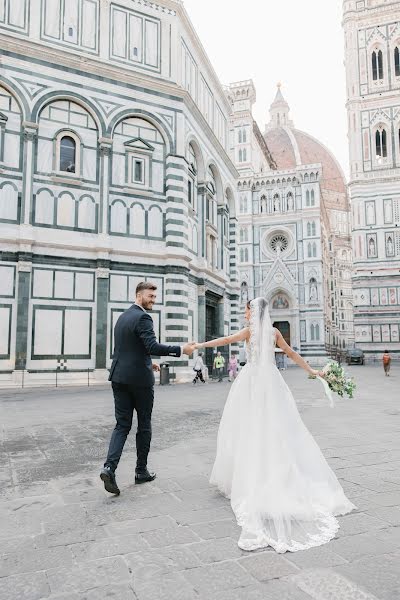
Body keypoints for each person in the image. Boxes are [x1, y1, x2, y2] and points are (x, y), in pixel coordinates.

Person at [195, 297, 355, 553]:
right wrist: (312, 371)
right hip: (271, 383)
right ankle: (272, 471)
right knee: (276, 429)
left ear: (253, 311)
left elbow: (225, 341)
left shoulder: (250, 331)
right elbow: (291, 353)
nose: (245, 313)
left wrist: (200, 344)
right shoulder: (274, 332)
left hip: (251, 383)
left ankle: (251, 475)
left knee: (245, 429)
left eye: (246, 310)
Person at [100, 281, 195, 495]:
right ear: (139, 295)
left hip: (118, 377)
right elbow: (151, 346)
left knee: (121, 426)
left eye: (154, 297)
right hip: (139, 382)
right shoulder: (143, 317)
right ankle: (141, 471)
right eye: (150, 297)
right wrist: (181, 349)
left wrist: (147, 361)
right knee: (144, 424)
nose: (153, 300)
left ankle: (109, 467)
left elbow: (129, 348)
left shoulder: (123, 317)